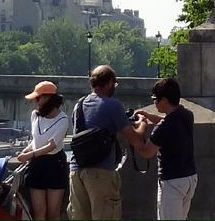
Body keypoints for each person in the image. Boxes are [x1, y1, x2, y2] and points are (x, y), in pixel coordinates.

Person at [67, 65, 147, 221]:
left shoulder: (79, 105)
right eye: (115, 84)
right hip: (101, 172)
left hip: (76, 171)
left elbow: (94, 130)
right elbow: (136, 140)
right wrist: (142, 123)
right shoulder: (112, 105)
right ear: (110, 82)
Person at [133, 78, 197, 221]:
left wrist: (139, 130)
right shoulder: (186, 114)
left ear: (164, 100)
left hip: (172, 182)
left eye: (155, 99)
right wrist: (149, 117)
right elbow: (166, 120)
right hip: (189, 178)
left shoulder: (163, 128)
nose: (154, 102)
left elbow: (146, 152)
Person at [16, 81, 69, 220]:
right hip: (37, 166)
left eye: (38, 99)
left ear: (47, 99)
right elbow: (36, 139)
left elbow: (51, 145)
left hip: (55, 165)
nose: (36, 103)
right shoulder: (35, 115)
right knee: (39, 212)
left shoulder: (63, 119)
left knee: (53, 213)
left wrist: (29, 155)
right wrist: (25, 151)